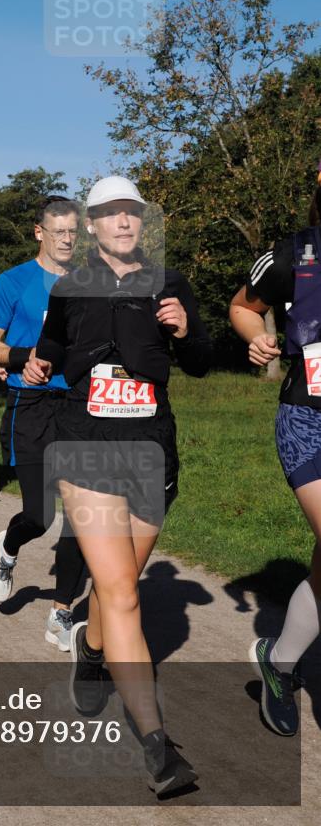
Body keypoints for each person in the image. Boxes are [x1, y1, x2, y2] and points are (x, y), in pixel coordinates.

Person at [33, 176, 211, 797]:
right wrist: (38, 360)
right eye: (109, 213)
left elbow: (201, 359)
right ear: (91, 224)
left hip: (150, 446)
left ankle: (91, 647)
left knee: (121, 591)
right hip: (84, 444)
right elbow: (52, 344)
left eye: (131, 212)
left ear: (142, 221)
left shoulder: (168, 282)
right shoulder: (70, 285)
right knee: (121, 592)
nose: (123, 222)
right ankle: (159, 749)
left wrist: (185, 329)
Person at [229, 180, 321, 737]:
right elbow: (243, 306)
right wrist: (255, 336)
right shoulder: (293, 254)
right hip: (309, 420)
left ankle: (280, 662)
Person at [0, 195, 88, 651]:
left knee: (83, 517)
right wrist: (25, 359)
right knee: (41, 516)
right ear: (39, 232)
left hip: (80, 404)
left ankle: (62, 613)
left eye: (72, 231)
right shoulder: (14, 281)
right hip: (31, 404)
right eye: (58, 231)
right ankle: (8, 548)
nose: (66, 239)